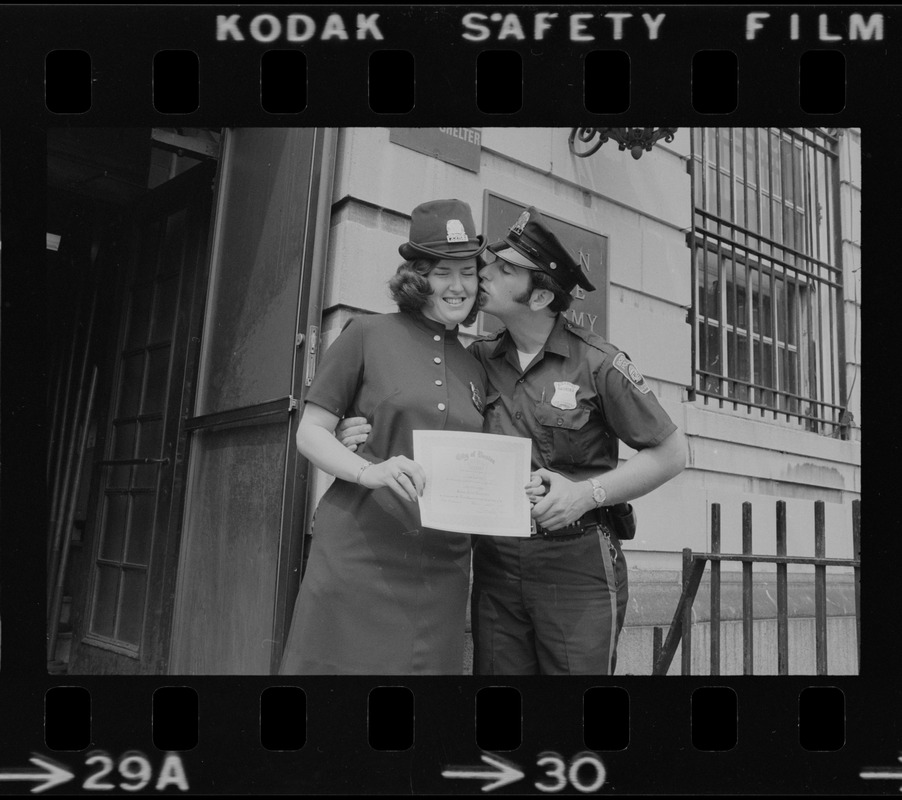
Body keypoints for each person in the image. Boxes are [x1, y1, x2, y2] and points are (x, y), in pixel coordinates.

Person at [339, 206, 687, 676]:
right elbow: (417, 406)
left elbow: (671, 453)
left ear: (541, 295)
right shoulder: (477, 358)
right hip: (497, 562)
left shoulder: (597, 363)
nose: (484, 273)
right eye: (492, 263)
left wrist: (586, 494)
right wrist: (357, 432)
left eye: (505, 270)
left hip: (576, 559)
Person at [279, 198, 491, 675]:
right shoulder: (366, 334)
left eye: (468, 272)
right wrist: (368, 470)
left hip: (443, 567)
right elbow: (311, 433)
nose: (458, 286)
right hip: (359, 552)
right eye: (442, 272)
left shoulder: (477, 363)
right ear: (416, 277)